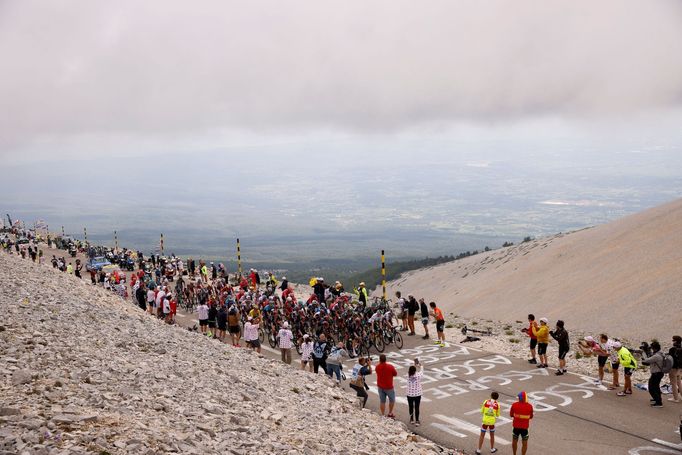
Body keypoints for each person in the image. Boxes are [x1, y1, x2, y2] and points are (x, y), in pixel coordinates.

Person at [641, 341, 665, 407]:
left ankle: (658, 403)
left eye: (652, 348)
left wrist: (643, 352)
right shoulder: (661, 353)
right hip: (659, 373)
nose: (651, 349)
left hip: (656, 373)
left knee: (652, 387)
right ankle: (656, 399)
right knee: (656, 387)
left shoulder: (656, 356)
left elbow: (646, 360)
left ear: (655, 348)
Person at [375, 354, 398, 418]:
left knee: (382, 401)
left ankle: (382, 414)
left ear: (379, 360)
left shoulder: (377, 367)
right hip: (389, 387)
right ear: (385, 359)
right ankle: (390, 413)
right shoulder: (390, 367)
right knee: (392, 400)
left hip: (380, 386)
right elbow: (395, 374)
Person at [406, 359, 423, 426]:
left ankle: (411, 419)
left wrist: (413, 365)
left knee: (410, 407)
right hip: (417, 394)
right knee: (417, 407)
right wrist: (418, 364)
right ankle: (417, 420)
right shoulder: (418, 375)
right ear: (415, 370)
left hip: (409, 394)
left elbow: (411, 368)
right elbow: (421, 370)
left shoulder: (407, 375)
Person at [668, 335, 682, 402]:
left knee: (673, 383)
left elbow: (670, 360)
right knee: (679, 383)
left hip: (674, 368)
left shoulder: (672, 349)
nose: (672, 341)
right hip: (680, 368)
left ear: (675, 341)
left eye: (673, 340)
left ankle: (675, 398)